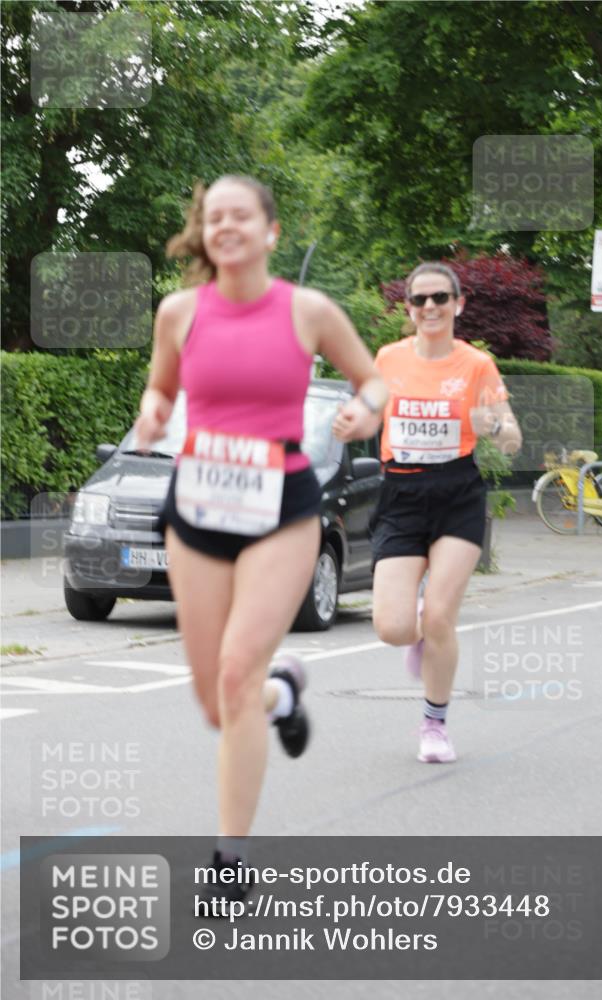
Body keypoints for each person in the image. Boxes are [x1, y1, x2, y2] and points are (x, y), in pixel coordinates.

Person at [134, 175, 387, 894]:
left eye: (240, 215)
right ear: (204, 233)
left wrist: (365, 412)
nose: (226, 226)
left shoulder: (307, 311)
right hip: (198, 505)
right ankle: (283, 697)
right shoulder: (178, 312)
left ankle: (228, 863)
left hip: (281, 504)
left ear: (270, 231)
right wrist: (153, 414)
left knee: (237, 672)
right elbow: (161, 388)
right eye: (215, 217)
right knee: (218, 700)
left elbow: (371, 381)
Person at [370, 262, 521, 764]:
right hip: (400, 495)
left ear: (459, 304)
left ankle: (434, 725)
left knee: (440, 616)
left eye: (439, 298)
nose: (429, 307)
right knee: (392, 628)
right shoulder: (388, 358)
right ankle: (417, 622)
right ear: (408, 309)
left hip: (457, 492)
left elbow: (512, 435)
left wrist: (494, 427)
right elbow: (370, 413)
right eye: (419, 300)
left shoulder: (476, 365)